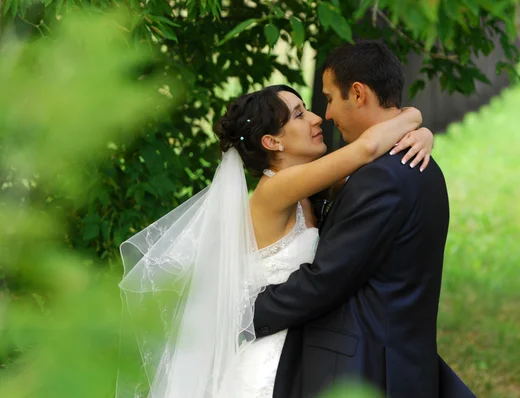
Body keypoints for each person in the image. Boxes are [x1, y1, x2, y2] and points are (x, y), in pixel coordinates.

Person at [119, 80, 431, 396]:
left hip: (297, 344)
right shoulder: (275, 190)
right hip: (269, 357)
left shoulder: (306, 188)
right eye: (298, 115)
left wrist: (421, 136)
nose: (316, 118)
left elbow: (366, 167)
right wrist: (415, 117)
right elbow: (368, 148)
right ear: (272, 141)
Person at [252, 41, 475, 397]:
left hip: (370, 366)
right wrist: (414, 121)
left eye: (328, 99)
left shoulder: (381, 177)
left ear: (357, 94)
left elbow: (328, 279)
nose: (324, 116)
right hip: (395, 357)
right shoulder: (419, 166)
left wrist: (245, 316)